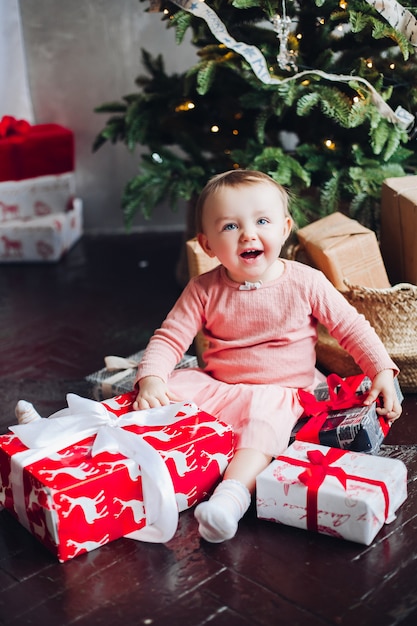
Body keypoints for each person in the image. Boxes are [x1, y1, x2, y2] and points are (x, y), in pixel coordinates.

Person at [133, 169, 402, 543]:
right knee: (160, 389)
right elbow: (169, 338)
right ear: (207, 244)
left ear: (284, 228)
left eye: (262, 221)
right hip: (220, 385)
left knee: (260, 426)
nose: (248, 234)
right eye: (230, 226)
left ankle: (231, 498)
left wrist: (382, 371)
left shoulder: (305, 281)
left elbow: (351, 328)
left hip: (280, 390)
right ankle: (75, 432)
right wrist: (153, 379)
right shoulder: (203, 289)